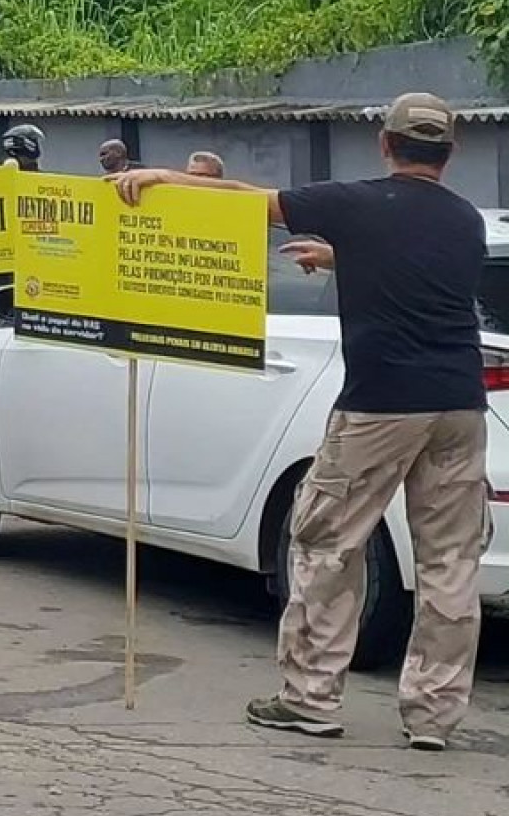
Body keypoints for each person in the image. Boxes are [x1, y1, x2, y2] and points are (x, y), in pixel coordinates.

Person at [118, 91, 490, 751]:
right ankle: (434, 716)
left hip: (381, 404)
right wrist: (339, 258)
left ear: (385, 144)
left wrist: (164, 179)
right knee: (450, 560)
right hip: (461, 406)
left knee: (326, 542)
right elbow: (414, 263)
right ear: (450, 153)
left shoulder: (355, 203)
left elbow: (246, 201)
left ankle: (310, 698)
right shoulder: (464, 220)